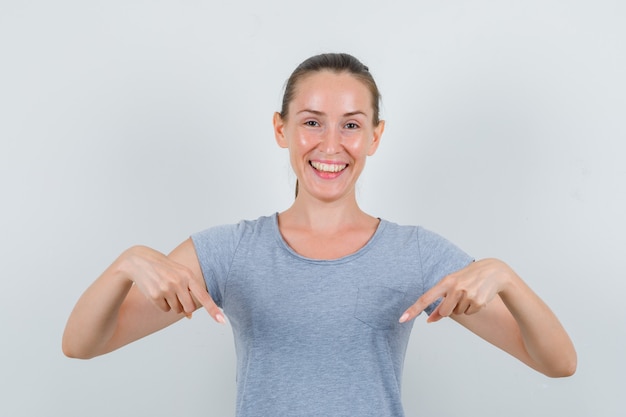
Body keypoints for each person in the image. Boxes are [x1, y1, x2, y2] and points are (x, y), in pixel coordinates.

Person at [62, 53, 576, 417]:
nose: (331, 145)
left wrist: (507, 277)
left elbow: (559, 363)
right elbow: (82, 344)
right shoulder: (231, 252)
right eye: (312, 122)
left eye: (351, 125)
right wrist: (125, 263)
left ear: (375, 136)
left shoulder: (417, 254)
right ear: (281, 129)